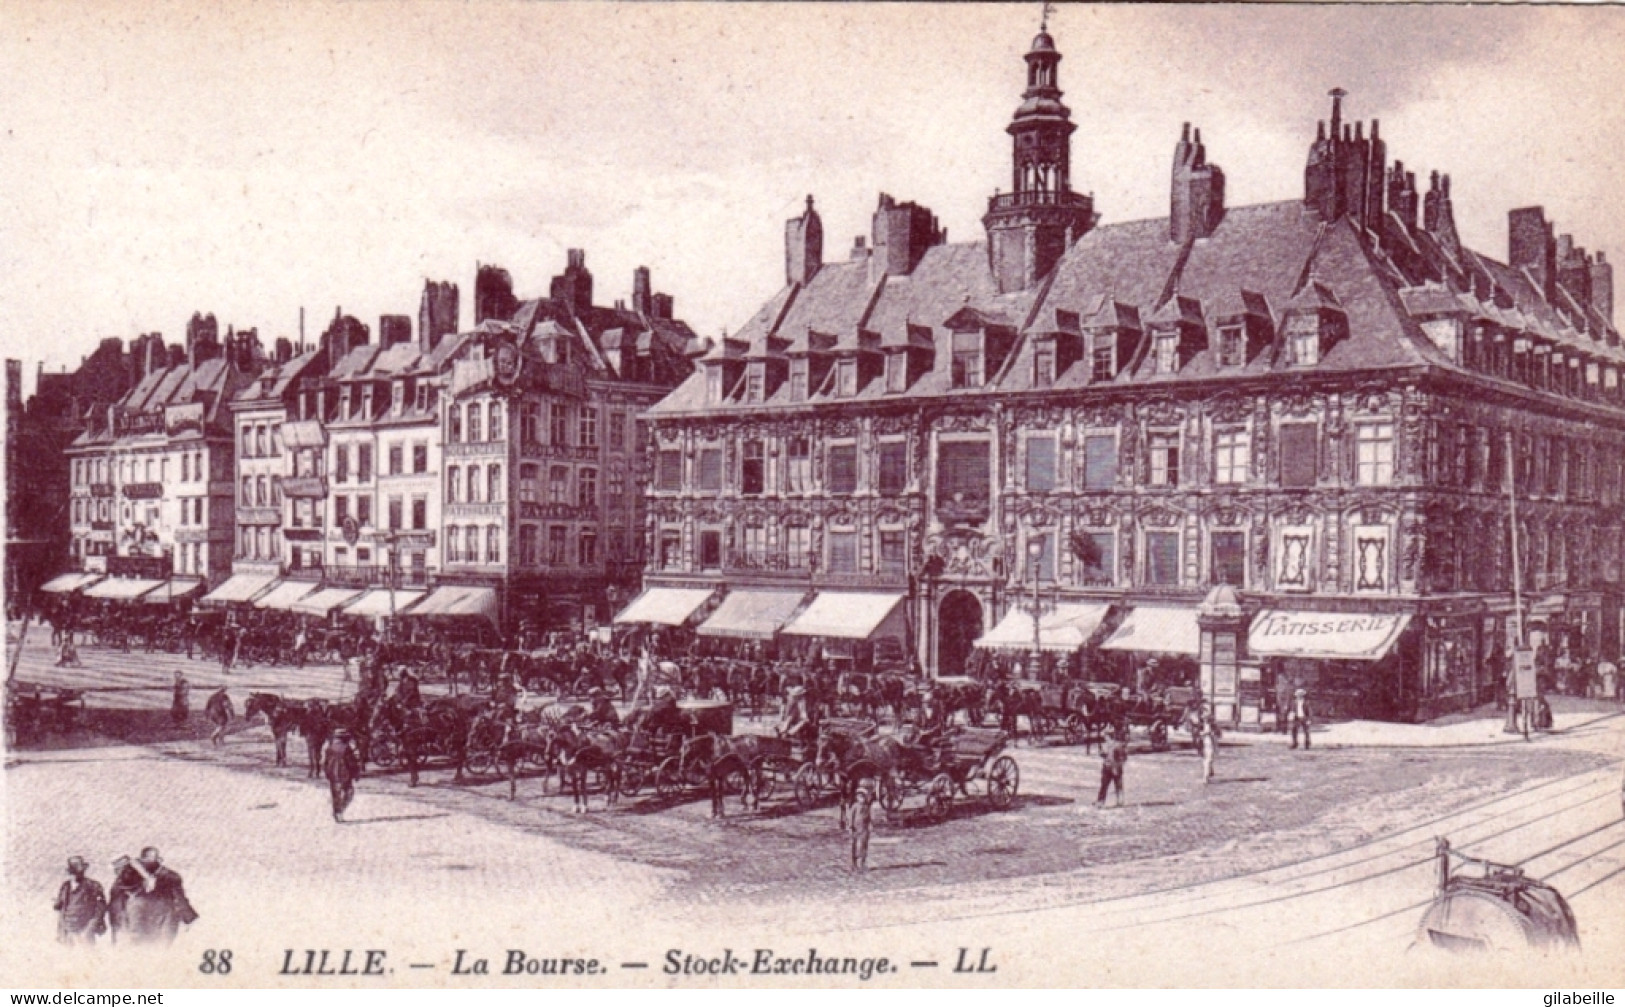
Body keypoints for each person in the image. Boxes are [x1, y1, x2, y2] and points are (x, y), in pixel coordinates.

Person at [108, 848, 197, 945]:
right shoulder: (171, 876)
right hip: (164, 920)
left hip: (138, 921)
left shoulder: (126, 878)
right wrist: (188, 918)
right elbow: (179, 899)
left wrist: (117, 927)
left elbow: (115, 904)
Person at [54, 856, 107, 946]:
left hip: (85, 931)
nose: (76, 875)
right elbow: (60, 907)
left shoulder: (93, 886)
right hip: (67, 932)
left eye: (79, 871)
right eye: (73, 872)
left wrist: (89, 929)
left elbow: (100, 910)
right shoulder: (65, 886)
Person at [324, 729, 361, 822]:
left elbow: (325, 763)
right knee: (349, 792)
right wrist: (356, 773)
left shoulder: (330, 748)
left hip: (333, 775)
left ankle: (337, 812)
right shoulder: (346, 748)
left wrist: (327, 773)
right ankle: (340, 811)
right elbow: (351, 763)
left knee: (336, 795)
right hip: (345, 774)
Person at [1095, 723, 1126, 808]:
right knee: (1104, 785)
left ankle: (1120, 800)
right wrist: (1103, 754)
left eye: (1106, 736)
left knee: (1118, 785)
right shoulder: (1107, 745)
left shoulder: (1118, 745)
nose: (1105, 738)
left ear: (1110, 736)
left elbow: (1122, 758)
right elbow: (1107, 755)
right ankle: (1100, 801)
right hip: (1107, 768)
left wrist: (1117, 766)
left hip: (1115, 768)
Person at [850, 779, 875, 873]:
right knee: (855, 845)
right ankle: (854, 863)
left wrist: (871, 825)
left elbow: (870, 817)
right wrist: (850, 827)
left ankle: (863, 863)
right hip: (855, 828)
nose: (861, 799)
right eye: (859, 797)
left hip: (864, 828)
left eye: (863, 797)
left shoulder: (867, 807)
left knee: (864, 845)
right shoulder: (855, 806)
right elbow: (851, 816)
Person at [1289, 683, 1313, 750]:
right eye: (1297, 695)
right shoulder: (1294, 702)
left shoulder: (1306, 703)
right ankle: (1294, 743)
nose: (1298, 696)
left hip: (1304, 718)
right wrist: (1291, 715)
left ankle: (1307, 744)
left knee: (1306, 731)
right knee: (1294, 730)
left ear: (1302, 696)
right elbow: (1292, 710)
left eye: (1300, 695)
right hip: (1296, 718)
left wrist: (1309, 719)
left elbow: (1309, 712)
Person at [1274, 669, 1294, 735]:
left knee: (1284, 717)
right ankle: (1278, 729)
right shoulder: (1278, 686)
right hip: (1278, 704)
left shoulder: (1287, 687)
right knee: (1278, 717)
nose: (1279, 679)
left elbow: (1288, 697)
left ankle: (1284, 730)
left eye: (1280, 678)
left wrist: (1286, 705)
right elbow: (1276, 695)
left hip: (1284, 704)